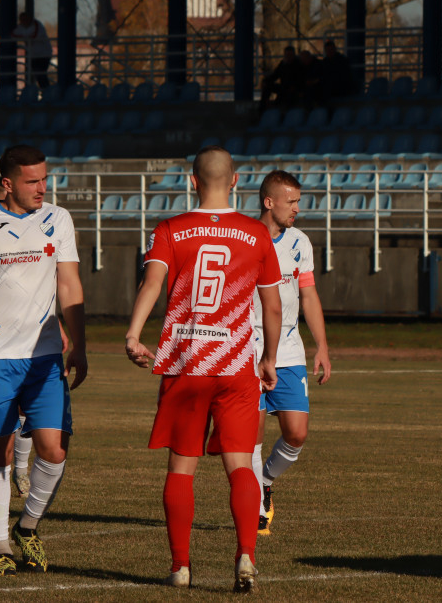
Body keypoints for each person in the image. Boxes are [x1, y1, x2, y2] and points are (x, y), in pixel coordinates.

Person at [124, 146, 282, 592]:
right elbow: (272, 307)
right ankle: (246, 556)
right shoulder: (256, 233)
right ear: (235, 182)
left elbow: (152, 282)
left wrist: (134, 335)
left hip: (187, 363)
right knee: (241, 466)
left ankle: (180, 567)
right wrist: (268, 357)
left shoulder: (172, 228)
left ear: (192, 182)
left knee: (181, 469)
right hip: (236, 365)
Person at [0, 144, 87, 576]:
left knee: (55, 449)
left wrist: (79, 344)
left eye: (45, 179)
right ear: (7, 183)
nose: (42, 188)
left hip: (45, 357)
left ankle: (28, 526)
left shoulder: (58, 219)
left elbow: (68, 283)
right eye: (32, 181)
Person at [251, 170, 332, 535]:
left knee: (297, 434)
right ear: (270, 202)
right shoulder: (244, 239)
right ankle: (255, 504)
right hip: (247, 354)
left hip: (289, 351)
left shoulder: (300, 242)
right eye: (292, 201)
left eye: (298, 201)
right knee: (249, 439)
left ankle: (265, 481)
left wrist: (322, 347)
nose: (298, 208)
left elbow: (309, 295)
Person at [11, 12, 53, 89]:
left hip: (44, 54)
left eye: (25, 19)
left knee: (40, 73)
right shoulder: (21, 27)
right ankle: (44, 90)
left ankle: (47, 90)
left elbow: (35, 36)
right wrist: (26, 37)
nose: (24, 21)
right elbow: (13, 35)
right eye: (22, 20)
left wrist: (25, 37)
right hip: (33, 55)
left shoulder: (37, 25)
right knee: (37, 74)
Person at [259, 45, 304, 113]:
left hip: (293, 88)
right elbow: (275, 75)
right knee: (268, 86)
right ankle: (262, 109)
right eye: (287, 55)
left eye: (290, 55)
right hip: (283, 87)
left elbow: (301, 79)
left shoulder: (298, 65)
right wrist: (265, 81)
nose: (288, 57)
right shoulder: (283, 64)